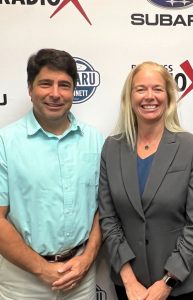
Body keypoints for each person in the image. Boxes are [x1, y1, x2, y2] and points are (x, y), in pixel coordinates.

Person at [98, 61, 193, 300]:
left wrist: (167, 282)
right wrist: (129, 281)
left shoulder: (191, 147)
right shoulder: (111, 148)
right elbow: (109, 219)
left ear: (169, 96)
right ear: (130, 97)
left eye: (157, 89)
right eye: (141, 89)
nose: (150, 96)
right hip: (129, 287)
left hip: (182, 286)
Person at [0, 48, 105, 300]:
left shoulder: (95, 140)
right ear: (30, 88)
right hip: (22, 281)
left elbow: (105, 209)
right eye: (45, 84)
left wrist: (87, 259)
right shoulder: (5, 142)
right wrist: (42, 269)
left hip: (80, 277)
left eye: (64, 85)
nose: (55, 94)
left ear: (74, 90)